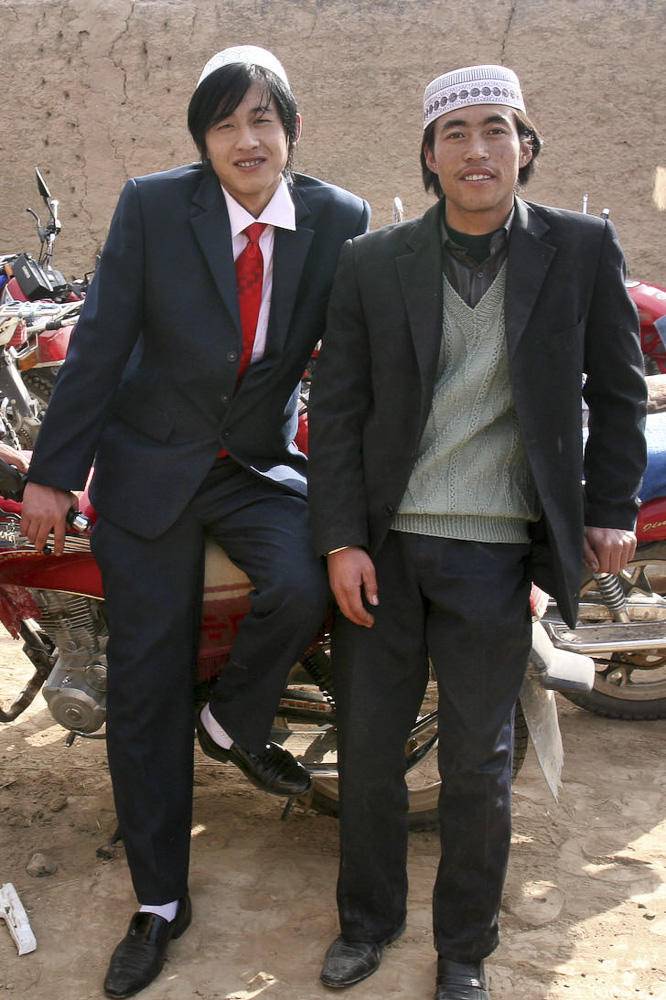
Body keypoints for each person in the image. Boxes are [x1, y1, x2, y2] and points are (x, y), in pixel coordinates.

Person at [20, 45, 370, 998]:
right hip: (149, 463)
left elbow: (346, 373)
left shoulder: (340, 220)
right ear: (203, 141)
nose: (246, 140)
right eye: (225, 124)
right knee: (145, 684)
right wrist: (54, 475)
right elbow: (100, 342)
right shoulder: (152, 207)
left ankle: (230, 722)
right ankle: (160, 902)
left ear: (291, 130)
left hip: (254, 462)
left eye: (263, 119)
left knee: (304, 579)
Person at [308, 65, 646, 1000]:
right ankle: (367, 924)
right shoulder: (373, 262)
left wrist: (612, 508)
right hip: (385, 549)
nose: (476, 150)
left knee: (477, 762)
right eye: (453, 134)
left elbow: (619, 392)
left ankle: (464, 949)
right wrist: (341, 539)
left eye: (495, 129)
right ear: (429, 156)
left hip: (494, 556)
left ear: (525, 148)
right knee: (368, 752)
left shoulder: (580, 249)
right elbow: (337, 410)